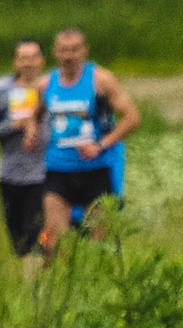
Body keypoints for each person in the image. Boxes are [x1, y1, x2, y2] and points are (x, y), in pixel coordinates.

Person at [37, 27, 139, 264]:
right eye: (63, 50)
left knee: (100, 243)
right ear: (55, 52)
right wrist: (32, 132)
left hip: (96, 169)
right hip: (58, 170)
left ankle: (99, 288)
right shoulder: (45, 84)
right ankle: (58, 288)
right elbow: (34, 116)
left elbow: (132, 119)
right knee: (52, 241)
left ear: (85, 51)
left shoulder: (100, 80)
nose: (69, 55)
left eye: (74, 49)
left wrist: (100, 145)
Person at [0, 38, 49, 262]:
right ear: (15, 62)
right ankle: (29, 283)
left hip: (44, 173)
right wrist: (13, 126)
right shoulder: (1, 89)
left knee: (36, 235)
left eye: (33, 57)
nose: (28, 63)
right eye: (23, 58)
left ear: (42, 61)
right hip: (11, 174)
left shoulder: (52, 87)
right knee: (18, 239)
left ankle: (37, 283)